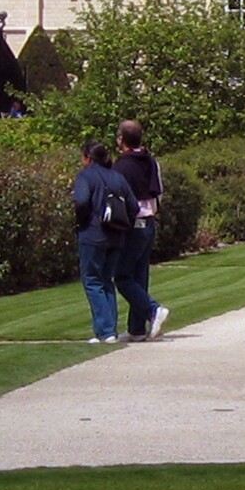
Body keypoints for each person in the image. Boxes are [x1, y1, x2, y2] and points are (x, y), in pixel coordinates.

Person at [71, 140, 140, 343]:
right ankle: (110, 330)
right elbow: (134, 207)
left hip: (93, 234)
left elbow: (81, 201)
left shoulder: (86, 176)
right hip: (116, 235)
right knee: (106, 281)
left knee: (92, 281)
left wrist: (82, 221)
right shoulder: (117, 177)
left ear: (88, 158)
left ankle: (105, 331)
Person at [112, 119, 168, 341]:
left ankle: (152, 310)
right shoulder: (151, 162)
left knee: (122, 276)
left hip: (133, 224)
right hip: (149, 221)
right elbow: (159, 191)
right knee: (139, 276)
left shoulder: (121, 166)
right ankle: (136, 329)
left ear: (121, 140)